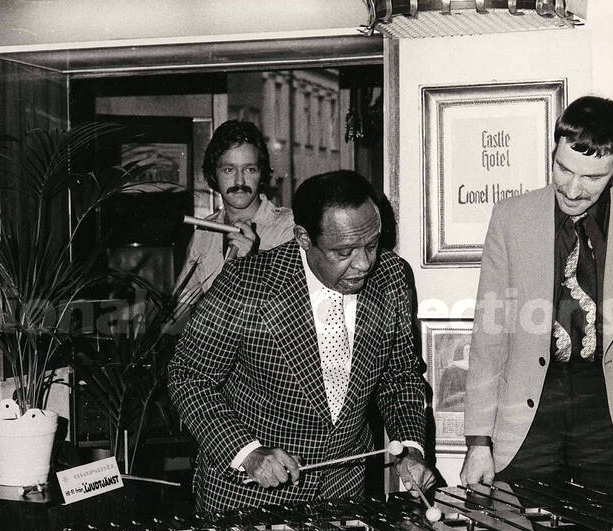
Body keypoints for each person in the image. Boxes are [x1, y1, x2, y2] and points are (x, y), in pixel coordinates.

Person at [169, 169, 434, 513]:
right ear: (303, 238)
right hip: (249, 495)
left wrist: (411, 449)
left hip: (343, 491)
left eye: (371, 245)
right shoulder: (246, 283)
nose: (365, 263)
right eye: (344, 252)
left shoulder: (392, 275)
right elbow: (189, 376)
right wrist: (247, 453)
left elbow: (399, 378)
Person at [461, 95, 613, 504]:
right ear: (554, 151)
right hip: (530, 414)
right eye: (563, 169)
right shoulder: (511, 217)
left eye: (593, 178)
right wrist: (478, 440)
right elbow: (489, 336)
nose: (573, 189)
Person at [178, 120, 294, 297]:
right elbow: (182, 305)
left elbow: (290, 310)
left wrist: (250, 265)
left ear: (261, 173)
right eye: (228, 170)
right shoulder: (204, 231)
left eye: (250, 169)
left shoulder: (288, 229)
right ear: (213, 174)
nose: (240, 182)